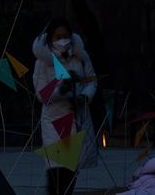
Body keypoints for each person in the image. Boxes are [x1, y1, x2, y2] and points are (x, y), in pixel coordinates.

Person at [33, 18, 98, 195]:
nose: (63, 40)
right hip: (54, 121)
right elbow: (40, 94)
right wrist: (60, 88)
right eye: (58, 36)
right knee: (56, 171)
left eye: (66, 36)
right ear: (50, 39)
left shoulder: (80, 57)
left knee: (71, 171)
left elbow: (91, 80)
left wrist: (84, 97)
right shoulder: (42, 62)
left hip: (77, 118)